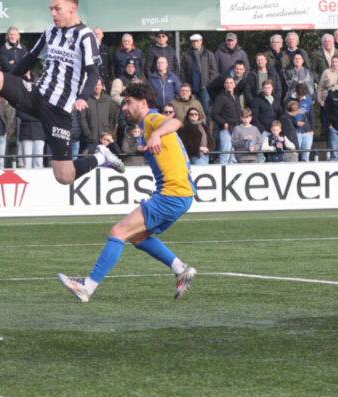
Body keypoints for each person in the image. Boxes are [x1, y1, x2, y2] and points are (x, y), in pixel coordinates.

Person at [0, 0, 125, 185]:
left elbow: (93, 71)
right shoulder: (51, 32)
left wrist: (82, 97)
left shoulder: (86, 36)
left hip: (58, 111)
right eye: (51, 9)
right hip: (35, 95)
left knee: (64, 176)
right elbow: (30, 59)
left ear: (72, 8)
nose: (52, 13)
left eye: (57, 9)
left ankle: (101, 157)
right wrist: (1, 87)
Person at [58, 82, 197, 303]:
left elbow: (176, 121)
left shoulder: (152, 119)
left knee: (118, 231)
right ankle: (181, 269)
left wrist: (157, 133)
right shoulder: (144, 126)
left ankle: (87, 287)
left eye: (128, 102)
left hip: (173, 194)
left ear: (143, 103)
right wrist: (114, 149)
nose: (124, 108)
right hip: (178, 194)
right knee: (137, 236)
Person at [179, 33, 218, 123]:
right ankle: (192, 126)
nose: (195, 43)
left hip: (204, 87)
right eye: (193, 42)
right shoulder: (187, 55)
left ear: (201, 42)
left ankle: (205, 128)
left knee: (206, 110)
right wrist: (186, 85)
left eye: (197, 41)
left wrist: (208, 83)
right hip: (191, 88)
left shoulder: (208, 54)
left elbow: (214, 70)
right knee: (191, 110)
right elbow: (182, 71)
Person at [80, 78, 119, 154]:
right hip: (91, 139)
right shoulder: (86, 99)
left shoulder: (108, 100)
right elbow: (82, 118)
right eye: (95, 85)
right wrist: (88, 134)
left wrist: (109, 132)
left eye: (99, 85)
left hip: (106, 139)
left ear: (102, 86)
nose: (97, 87)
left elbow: (112, 117)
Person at [211, 76, 242, 165]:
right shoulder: (221, 97)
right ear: (224, 85)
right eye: (227, 83)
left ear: (234, 85)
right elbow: (214, 113)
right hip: (226, 129)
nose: (229, 85)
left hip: (236, 129)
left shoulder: (236, 97)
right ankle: (222, 172)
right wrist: (223, 123)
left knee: (233, 155)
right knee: (225, 154)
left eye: (231, 83)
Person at [290, 83, 314, 161]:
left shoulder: (308, 100)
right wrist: (295, 123)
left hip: (307, 132)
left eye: (302, 95)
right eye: (299, 95)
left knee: (305, 157)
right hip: (295, 132)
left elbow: (312, 116)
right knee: (294, 156)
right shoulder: (290, 100)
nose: (300, 97)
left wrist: (312, 129)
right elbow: (286, 116)